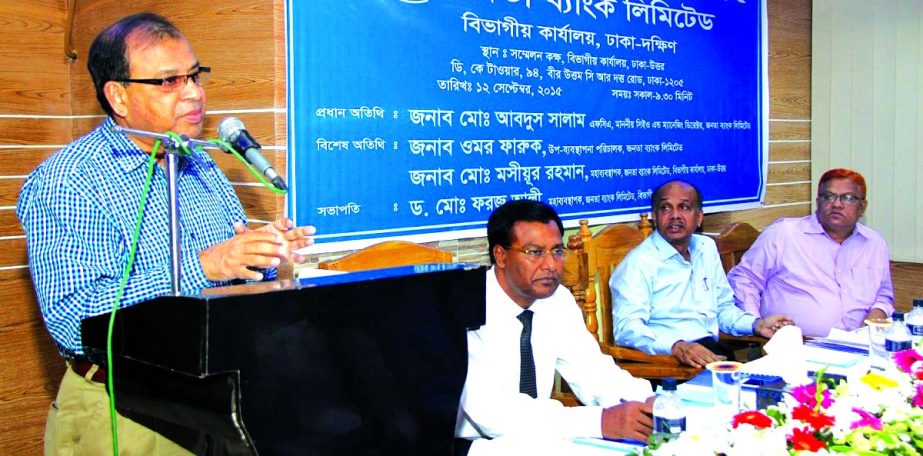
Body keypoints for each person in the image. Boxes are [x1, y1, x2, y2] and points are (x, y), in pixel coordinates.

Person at [16, 13, 315, 455]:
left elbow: (226, 281)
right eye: (169, 82)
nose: (193, 93)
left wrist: (262, 256)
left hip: (216, 399)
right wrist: (204, 266)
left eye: (195, 75)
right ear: (118, 94)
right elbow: (73, 319)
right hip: (125, 410)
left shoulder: (201, 164)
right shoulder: (69, 181)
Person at [455, 200, 655, 454]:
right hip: (474, 445)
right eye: (535, 252)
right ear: (501, 256)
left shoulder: (557, 299)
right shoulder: (465, 306)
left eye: (557, 251)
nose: (551, 265)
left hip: (542, 433)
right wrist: (599, 421)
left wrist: (646, 402)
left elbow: (592, 371)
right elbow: (491, 412)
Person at [609, 180, 793, 368]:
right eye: (665, 208)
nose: (675, 216)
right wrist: (677, 347)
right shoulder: (639, 263)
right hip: (667, 362)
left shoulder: (706, 248)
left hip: (712, 353)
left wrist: (757, 325)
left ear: (699, 217)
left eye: (684, 207)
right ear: (654, 217)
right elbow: (627, 329)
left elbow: (723, 308)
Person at [727, 168, 893, 337]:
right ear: (817, 202)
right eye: (828, 196)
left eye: (848, 198)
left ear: (862, 207)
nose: (836, 204)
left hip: (861, 345)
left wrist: (876, 315)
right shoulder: (784, 234)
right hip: (799, 347)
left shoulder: (874, 243)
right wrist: (756, 324)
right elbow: (744, 280)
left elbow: (884, 294)